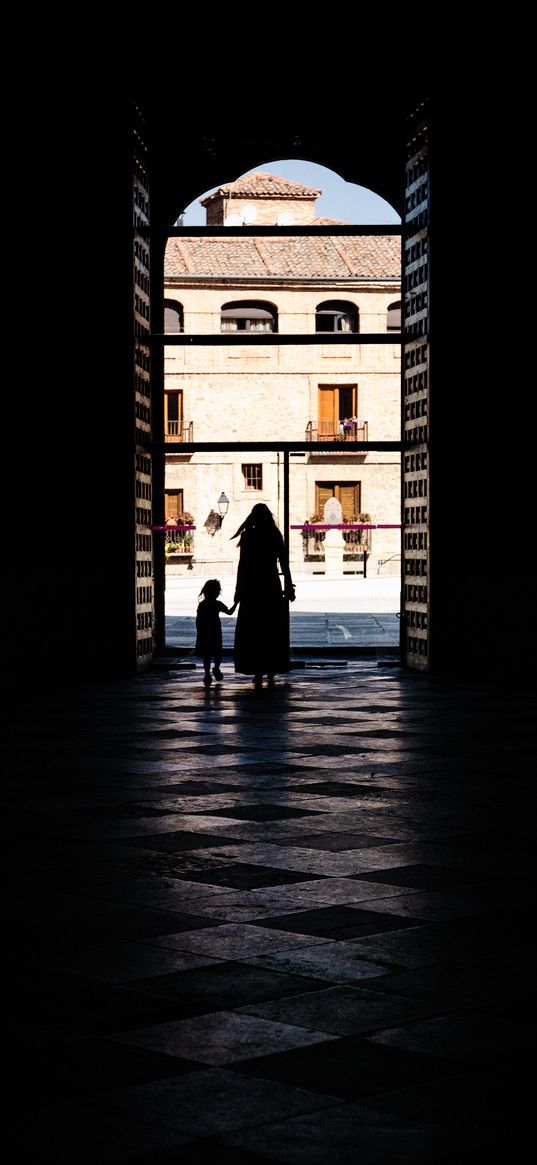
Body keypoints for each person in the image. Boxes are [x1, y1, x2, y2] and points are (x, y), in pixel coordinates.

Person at [231, 503, 296, 686]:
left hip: (252, 587)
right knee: (271, 627)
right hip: (270, 586)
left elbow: (242, 566)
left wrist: (238, 591)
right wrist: (289, 587)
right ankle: (271, 667)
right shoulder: (275, 535)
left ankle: (257, 669)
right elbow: (284, 564)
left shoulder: (248, 536)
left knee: (254, 630)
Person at [195, 579, 236, 685]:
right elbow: (230, 612)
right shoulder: (217, 604)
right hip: (216, 631)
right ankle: (216, 668)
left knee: (207, 654)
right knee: (217, 652)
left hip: (205, 631)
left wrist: (199, 632)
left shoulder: (202, 604)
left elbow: (198, 620)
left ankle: (207, 674)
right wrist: (236, 603)